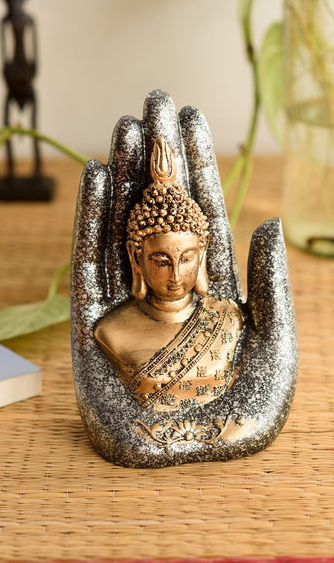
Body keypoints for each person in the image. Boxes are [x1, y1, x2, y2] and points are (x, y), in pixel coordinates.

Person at [95, 137, 244, 411]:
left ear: (202, 252)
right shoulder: (111, 331)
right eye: (162, 261)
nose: (176, 275)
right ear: (136, 258)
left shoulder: (230, 319)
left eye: (186, 259)